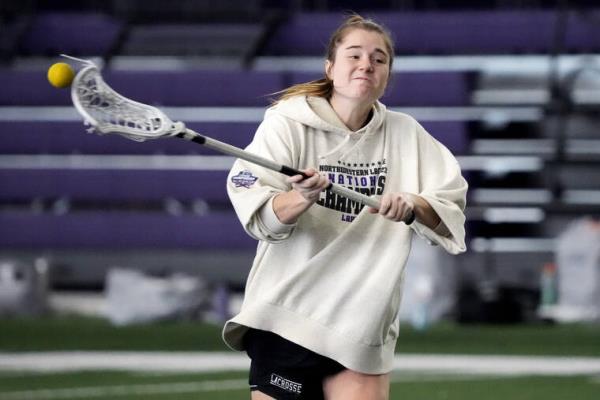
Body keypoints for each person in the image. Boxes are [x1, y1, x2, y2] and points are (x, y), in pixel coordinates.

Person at [224, 13, 467, 400]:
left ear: (387, 76)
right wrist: (300, 197)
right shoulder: (287, 123)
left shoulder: (407, 134)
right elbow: (257, 210)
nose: (366, 64)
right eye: (354, 55)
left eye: (378, 59)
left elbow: (449, 204)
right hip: (289, 314)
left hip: (362, 325)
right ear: (330, 68)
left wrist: (413, 204)